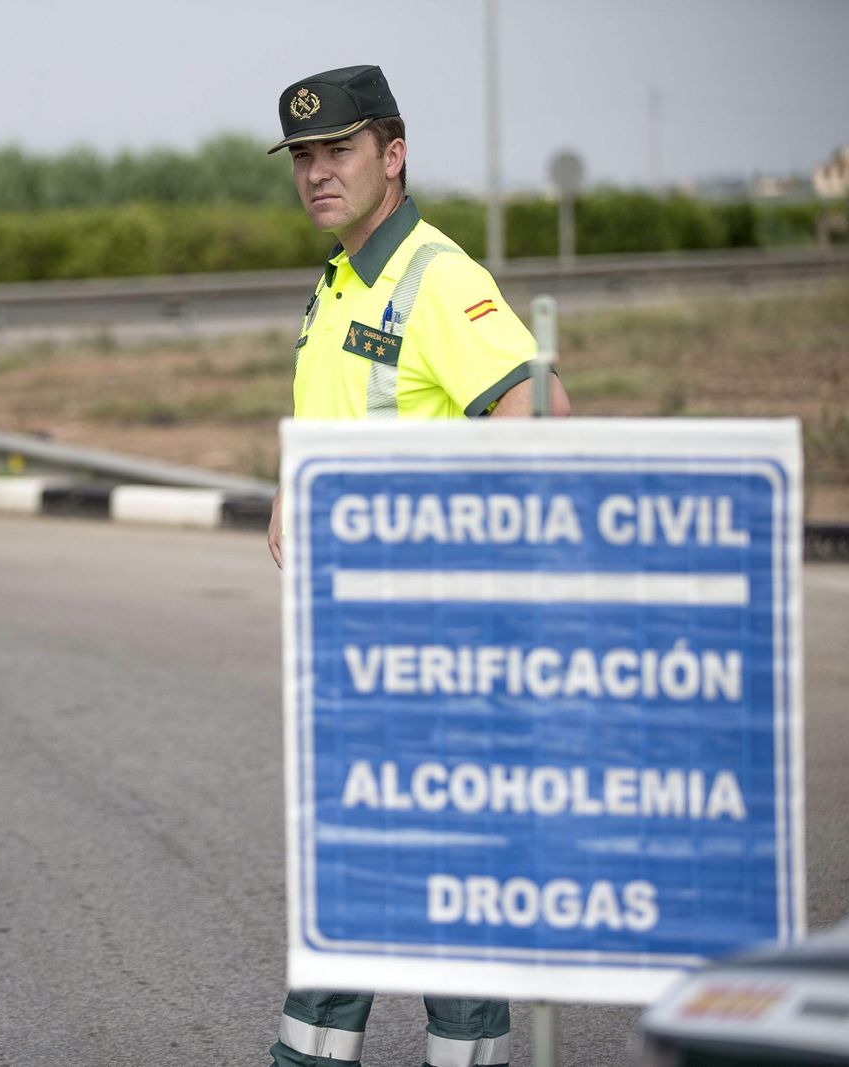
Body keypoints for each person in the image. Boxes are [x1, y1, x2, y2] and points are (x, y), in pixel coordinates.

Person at [263, 65, 571, 1067]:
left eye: (337, 151)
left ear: (392, 156)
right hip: (357, 644)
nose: (317, 173)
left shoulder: (437, 277)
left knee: (441, 873)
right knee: (358, 868)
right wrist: (292, 485)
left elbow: (545, 424)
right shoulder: (344, 274)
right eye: (303, 157)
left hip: (435, 644)